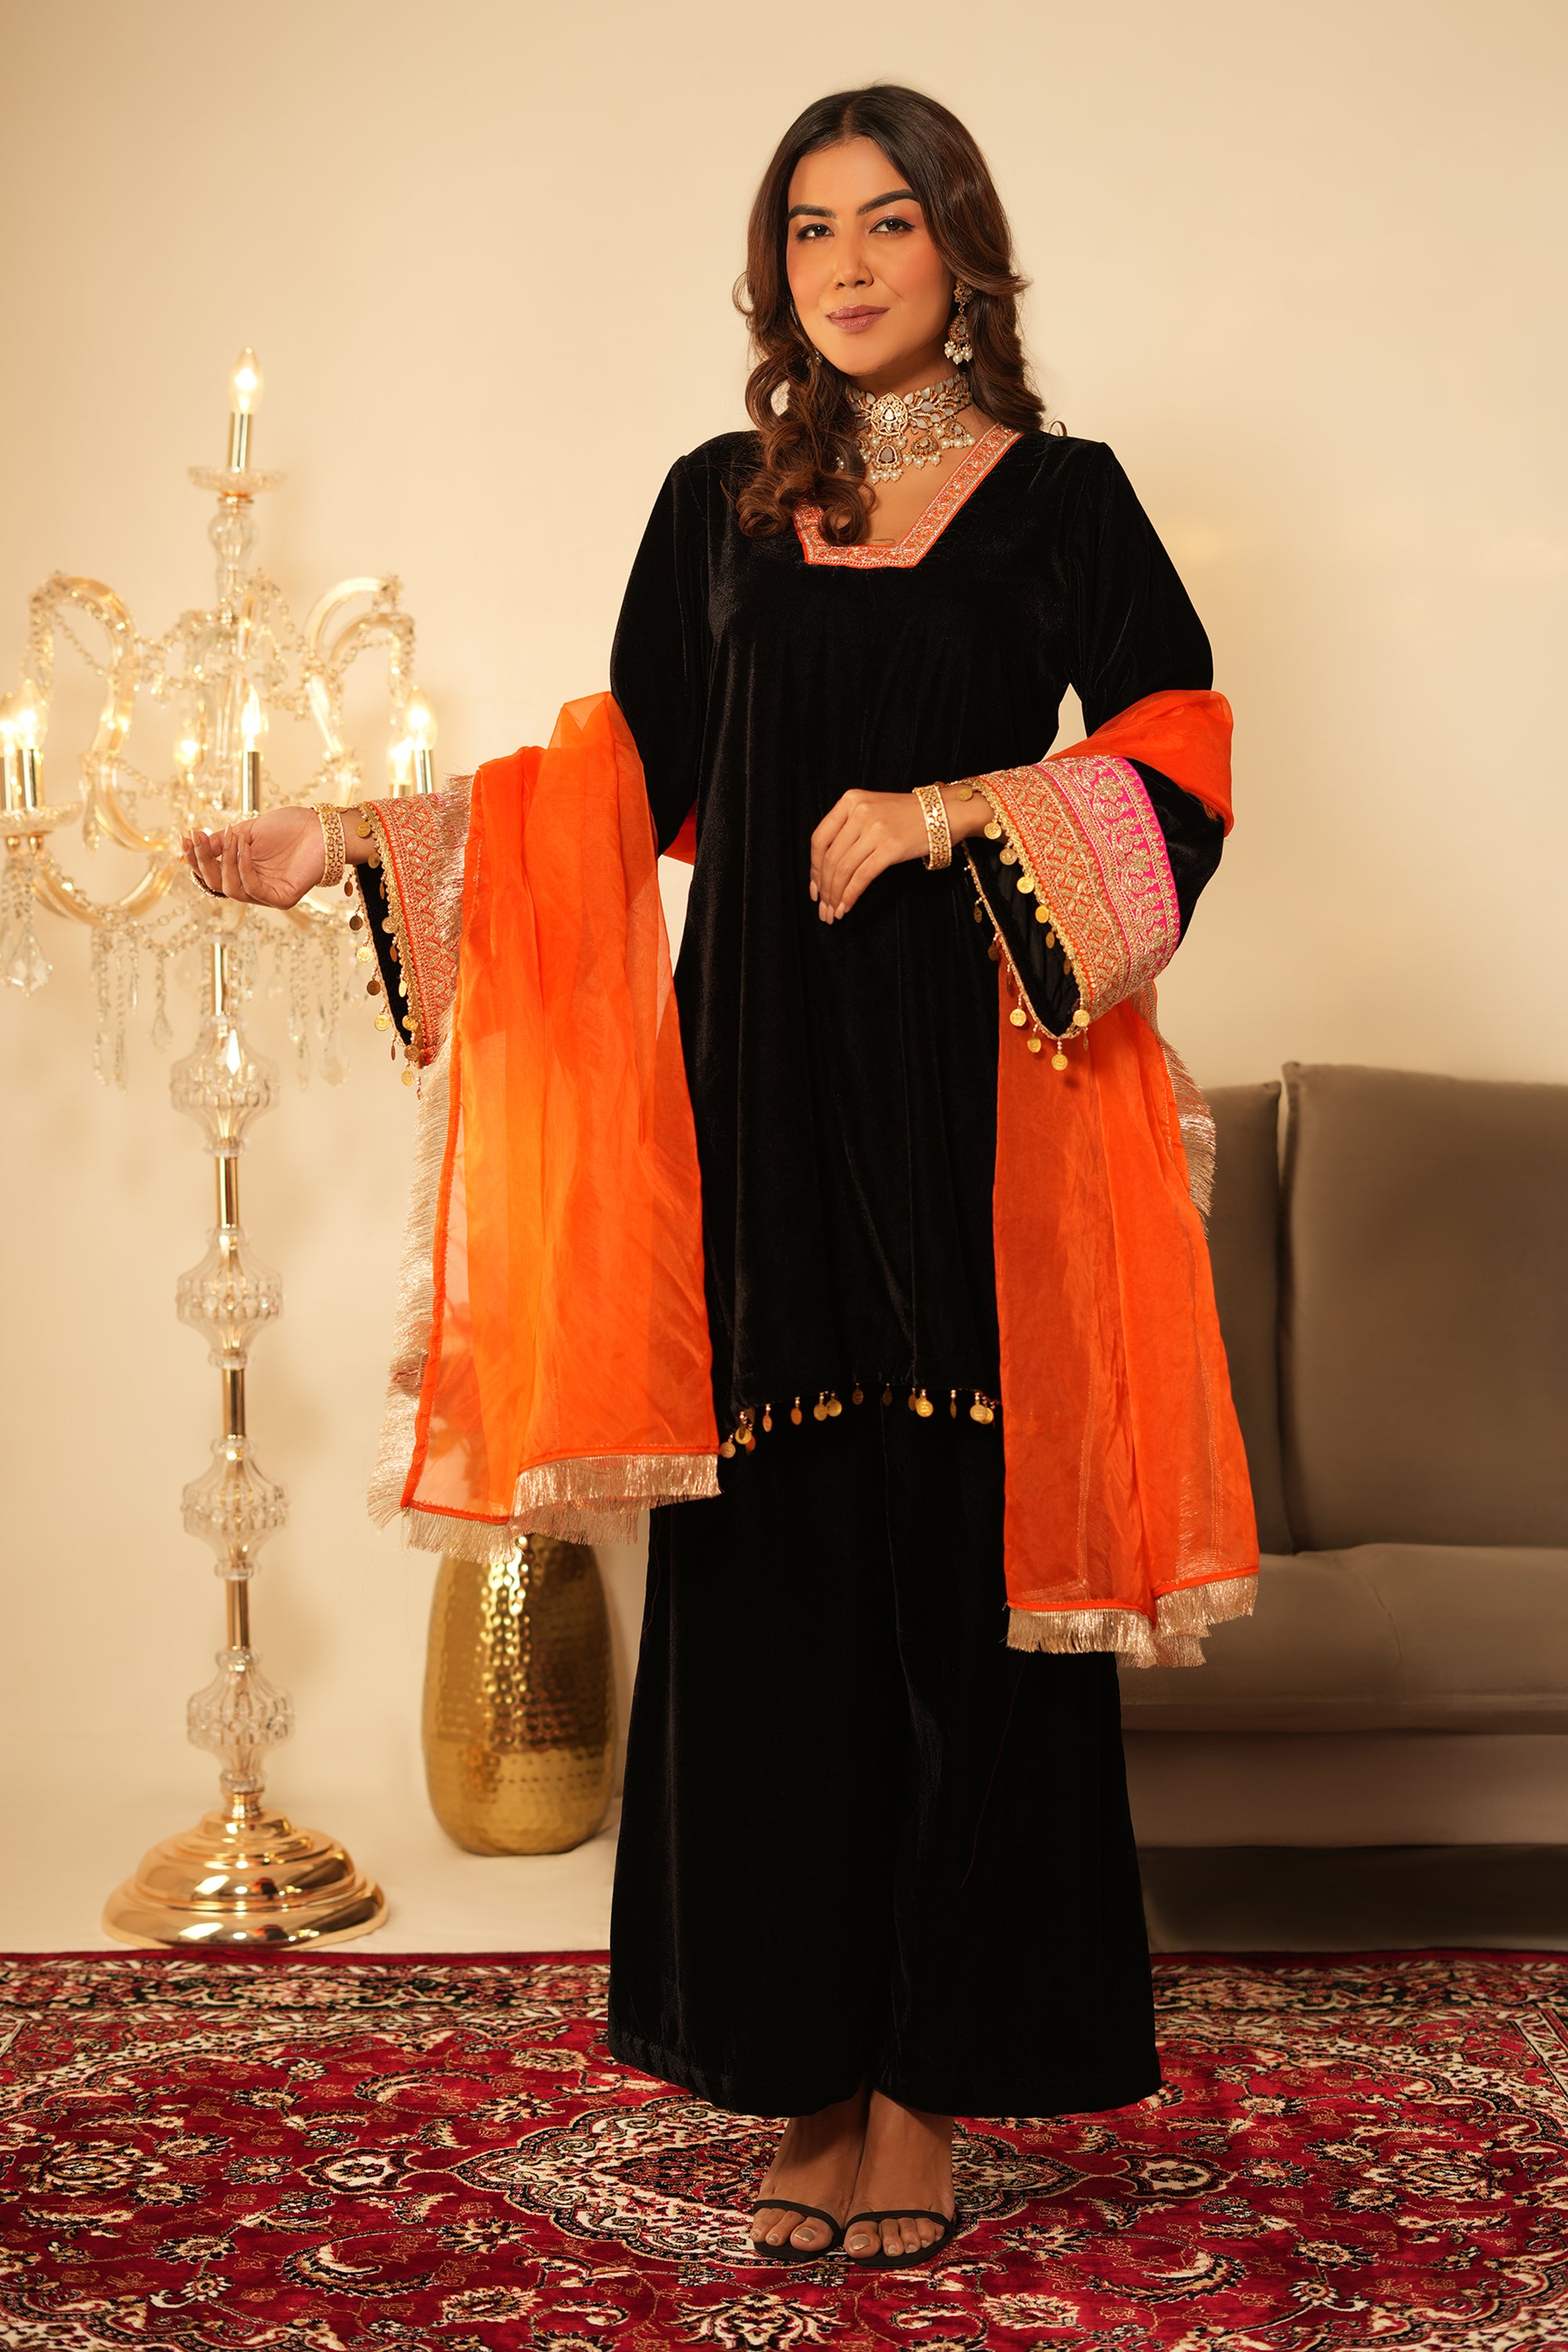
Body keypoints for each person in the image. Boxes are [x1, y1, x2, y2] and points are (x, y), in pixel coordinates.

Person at [183, 83, 1256, 2275]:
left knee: (959, 1601)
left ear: (966, 248)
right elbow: (616, 784)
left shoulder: (1066, 505)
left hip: (980, 1120)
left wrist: (958, 807)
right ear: (773, 272)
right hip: (756, 1108)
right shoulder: (718, 505)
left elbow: (1180, 750)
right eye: (807, 231)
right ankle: (804, 2068)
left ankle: (931, 2085)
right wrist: (356, 841)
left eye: (890, 222)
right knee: (776, 1605)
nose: (848, 264)